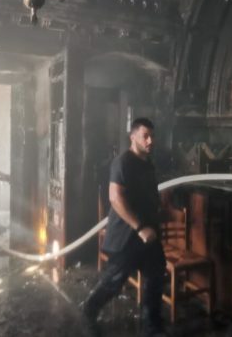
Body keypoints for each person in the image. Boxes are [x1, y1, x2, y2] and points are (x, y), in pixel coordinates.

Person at [82, 118, 166, 337]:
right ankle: (89, 310)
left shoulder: (148, 164)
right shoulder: (123, 162)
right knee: (114, 282)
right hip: (127, 235)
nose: (150, 140)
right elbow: (115, 198)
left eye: (152, 136)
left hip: (149, 234)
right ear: (133, 137)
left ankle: (152, 327)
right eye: (145, 136)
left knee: (155, 278)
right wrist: (140, 227)